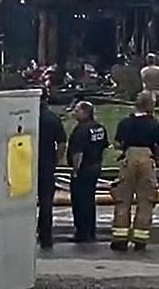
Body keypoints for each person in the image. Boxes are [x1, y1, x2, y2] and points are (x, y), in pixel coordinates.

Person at [110, 91, 159, 252]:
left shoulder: (125, 123)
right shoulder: (154, 124)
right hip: (147, 158)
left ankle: (120, 239)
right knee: (146, 200)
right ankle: (140, 239)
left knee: (122, 199)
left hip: (129, 158)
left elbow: (117, 143)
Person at [66, 101, 108, 242]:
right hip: (95, 166)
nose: (74, 112)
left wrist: (75, 170)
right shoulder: (99, 128)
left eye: (77, 110)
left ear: (85, 112)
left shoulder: (81, 130)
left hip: (83, 169)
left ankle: (82, 232)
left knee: (79, 201)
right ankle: (91, 229)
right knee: (89, 200)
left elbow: (78, 153)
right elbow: (103, 146)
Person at [37, 91, 67, 249]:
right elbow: (62, 142)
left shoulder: (23, 116)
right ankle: (46, 236)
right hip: (47, 164)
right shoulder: (52, 119)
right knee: (46, 201)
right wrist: (56, 160)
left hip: (23, 165)